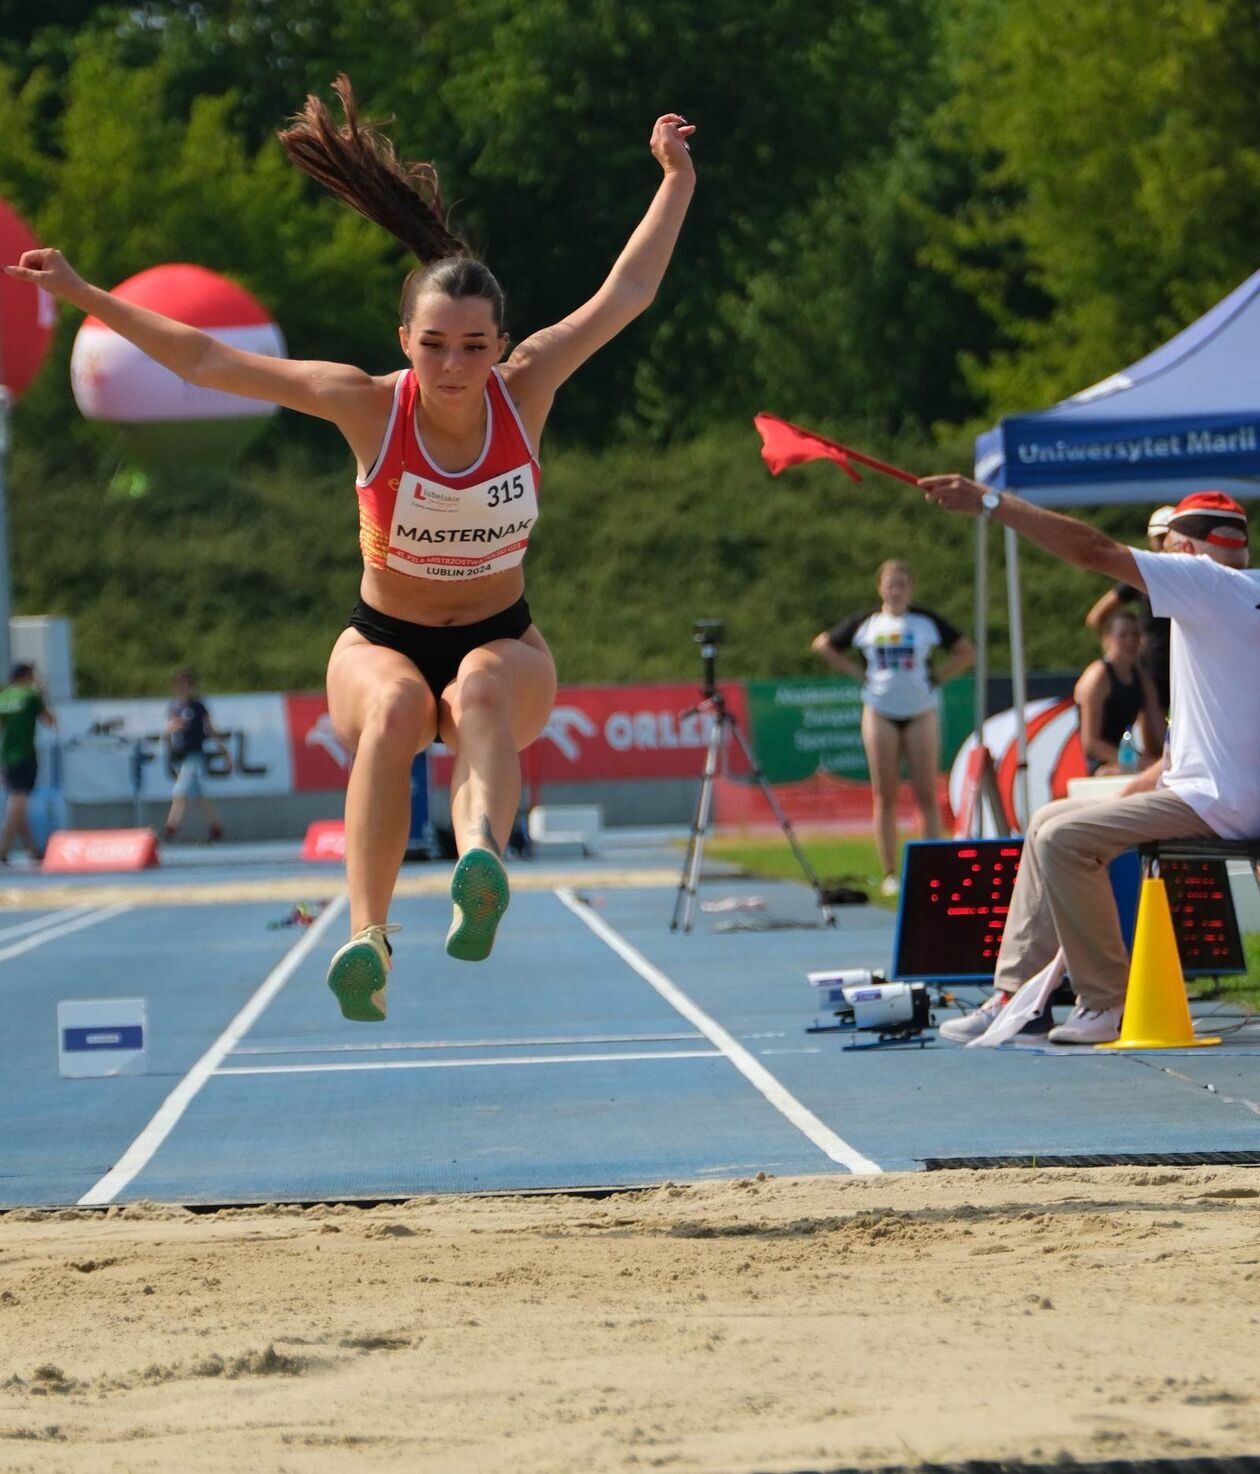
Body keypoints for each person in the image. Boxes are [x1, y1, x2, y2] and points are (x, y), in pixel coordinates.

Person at [7, 78, 697, 1022]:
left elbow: (631, 291)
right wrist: (88, 295)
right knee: (402, 707)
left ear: (501, 344)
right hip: (380, 637)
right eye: (436, 346)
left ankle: (481, 866)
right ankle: (366, 937)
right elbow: (211, 364)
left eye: (474, 347)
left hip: (505, 633)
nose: (455, 369)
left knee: (482, 689)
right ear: (404, 340)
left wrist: (675, 178)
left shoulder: (528, 386)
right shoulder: (365, 402)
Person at [921, 484, 1259, 1046]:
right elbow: (1201, 748)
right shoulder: (1238, 595)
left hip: (1219, 803)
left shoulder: (1206, 582)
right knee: (1050, 820)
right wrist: (1130, 796)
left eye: (1164, 544)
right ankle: (1019, 997)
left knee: (1063, 840)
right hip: (1216, 793)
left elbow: (1092, 552)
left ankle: (1105, 1002)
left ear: (1185, 551)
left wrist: (990, 503)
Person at [812, 559, 974, 897]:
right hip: (880, 711)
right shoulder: (867, 624)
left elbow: (965, 652)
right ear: (880, 588)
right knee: (884, 794)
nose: (896, 590)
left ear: (910, 588)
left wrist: (938, 678)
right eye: (890, 584)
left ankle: (934, 868)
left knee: (927, 794)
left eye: (901, 584)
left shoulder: (925, 622)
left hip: (920, 711)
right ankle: (890, 873)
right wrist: (857, 674)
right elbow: (823, 644)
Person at [1084, 504, 1175, 710]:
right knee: (1154, 736)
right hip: (1152, 668)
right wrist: (1118, 647)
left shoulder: (1194, 575)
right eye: (1159, 538)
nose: (1164, 544)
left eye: (1169, 537)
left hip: (1188, 666)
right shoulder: (1145, 574)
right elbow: (1097, 615)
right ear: (1151, 540)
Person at [1073, 608, 1164, 774]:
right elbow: (1091, 743)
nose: (1130, 641)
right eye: (1123, 635)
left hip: (1128, 758)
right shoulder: (1097, 677)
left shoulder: (1143, 679)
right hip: (1100, 765)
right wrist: (1137, 761)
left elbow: (1159, 733)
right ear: (1107, 638)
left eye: (1135, 635)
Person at [0, 662, 56, 864]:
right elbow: (50, 721)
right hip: (24, 755)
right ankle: (3, 847)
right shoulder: (30, 697)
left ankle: (31, 848)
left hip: (6, 756)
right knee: (18, 802)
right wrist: (42, 695)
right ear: (25, 676)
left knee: (18, 804)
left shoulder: (4, 696)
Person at [162, 669, 227, 844]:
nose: (183, 688)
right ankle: (215, 827)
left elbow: (209, 728)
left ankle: (170, 829)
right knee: (197, 795)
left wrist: (221, 747)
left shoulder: (198, 707)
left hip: (194, 753)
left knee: (180, 791)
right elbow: (168, 729)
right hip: (180, 755)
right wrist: (173, 728)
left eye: (186, 685)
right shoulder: (174, 707)